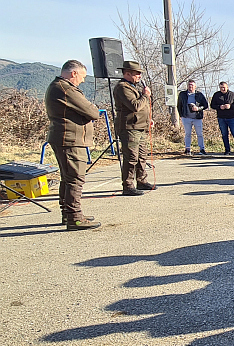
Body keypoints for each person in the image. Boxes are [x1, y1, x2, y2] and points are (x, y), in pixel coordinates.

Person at [45, 60, 101, 230]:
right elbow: (92, 112)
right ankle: (74, 217)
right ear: (74, 73)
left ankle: (68, 213)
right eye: (82, 77)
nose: (82, 81)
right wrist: (92, 110)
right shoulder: (66, 89)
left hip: (65, 138)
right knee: (75, 178)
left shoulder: (57, 86)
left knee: (68, 178)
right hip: (70, 139)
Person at [113, 60, 156, 197]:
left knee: (141, 156)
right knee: (131, 157)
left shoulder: (133, 87)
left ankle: (141, 180)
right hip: (129, 128)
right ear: (127, 73)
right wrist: (145, 95)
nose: (139, 76)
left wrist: (149, 119)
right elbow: (135, 106)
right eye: (137, 74)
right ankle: (128, 185)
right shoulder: (122, 88)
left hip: (141, 127)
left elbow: (143, 108)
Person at [210, 81, 234, 156]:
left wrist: (230, 106)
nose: (223, 89)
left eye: (224, 87)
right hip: (221, 118)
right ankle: (227, 150)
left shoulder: (232, 94)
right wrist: (219, 107)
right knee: (224, 134)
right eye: (221, 88)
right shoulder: (216, 95)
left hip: (231, 117)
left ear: (227, 87)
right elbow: (212, 105)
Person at [177, 79, 209, 155]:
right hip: (186, 117)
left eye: (192, 85)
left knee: (200, 134)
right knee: (187, 134)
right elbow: (179, 105)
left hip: (197, 118)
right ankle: (187, 149)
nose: (190, 86)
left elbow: (205, 105)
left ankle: (202, 149)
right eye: (189, 85)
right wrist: (181, 115)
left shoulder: (199, 95)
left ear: (195, 86)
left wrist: (198, 108)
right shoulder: (182, 94)